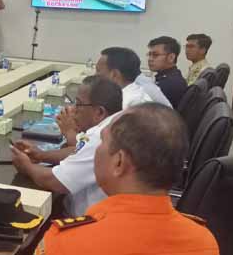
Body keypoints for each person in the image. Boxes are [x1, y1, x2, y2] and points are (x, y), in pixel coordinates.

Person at [36, 103, 219, 255]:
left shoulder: (65, 243)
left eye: (101, 142)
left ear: (119, 162)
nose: (96, 150)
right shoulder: (204, 242)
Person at [11, 76, 123, 217]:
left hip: (84, 222)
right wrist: (41, 155)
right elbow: (77, 150)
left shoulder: (100, 137)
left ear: (99, 112)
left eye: (79, 104)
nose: (73, 109)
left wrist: (26, 166)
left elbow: (55, 181)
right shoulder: (116, 122)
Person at [95, 47, 160, 109]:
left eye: (98, 71)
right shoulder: (120, 96)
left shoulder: (135, 104)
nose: (95, 75)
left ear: (114, 75)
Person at [147, 36, 188, 108]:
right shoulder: (170, 77)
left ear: (171, 57)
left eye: (155, 55)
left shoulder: (171, 83)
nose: (150, 59)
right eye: (149, 54)